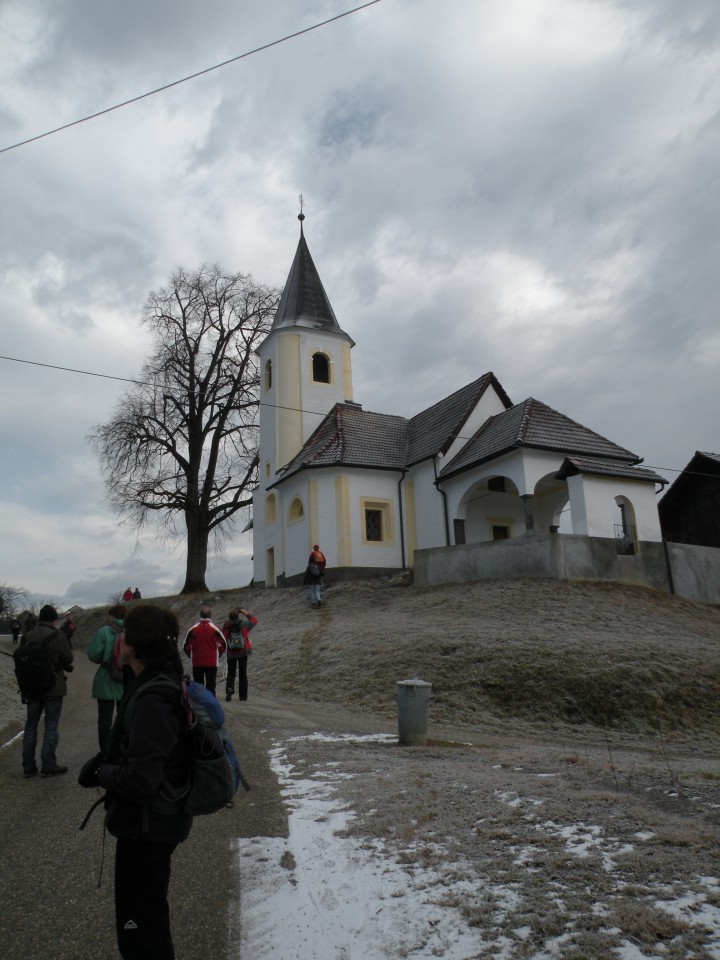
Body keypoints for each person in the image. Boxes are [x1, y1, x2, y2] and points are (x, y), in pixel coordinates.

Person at [79, 603, 192, 960]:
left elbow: (142, 777)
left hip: (148, 826)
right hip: (149, 823)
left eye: (126, 632)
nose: (120, 638)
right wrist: (105, 761)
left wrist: (101, 774)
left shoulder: (153, 696)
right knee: (145, 918)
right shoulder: (152, 684)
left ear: (137, 643)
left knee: (142, 929)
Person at [20, 604, 74, 778]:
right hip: (53, 686)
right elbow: (68, 658)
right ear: (54, 619)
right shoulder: (58, 636)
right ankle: (48, 764)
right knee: (51, 726)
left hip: (31, 687)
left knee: (30, 727)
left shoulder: (27, 636)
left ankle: (28, 766)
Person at [87, 604, 126, 754]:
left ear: (113, 616)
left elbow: (93, 655)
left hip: (106, 679)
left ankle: (106, 752)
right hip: (125, 681)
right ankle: (122, 750)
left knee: (104, 719)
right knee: (124, 719)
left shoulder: (104, 631)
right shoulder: (132, 631)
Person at [182, 607, 226, 696]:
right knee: (211, 685)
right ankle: (211, 704)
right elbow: (223, 644)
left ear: (200, 615)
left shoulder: (193, 628)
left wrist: (192, 656)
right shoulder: (215, 628)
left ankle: (199, 705)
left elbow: (185, 645)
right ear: (210, 615)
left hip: (197, 661)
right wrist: (217, 655)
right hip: (211, 661)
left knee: (198, 685)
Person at [221, 607, 257, 702]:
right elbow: (254, 620)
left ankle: (230, 689)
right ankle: (243, 696)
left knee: (231, 673)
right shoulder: (244, 624)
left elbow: (223, 638)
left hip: (231, 652)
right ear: (238, 615)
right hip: (243, 651)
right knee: (242, 673)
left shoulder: (226, 626)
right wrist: (245, 612)